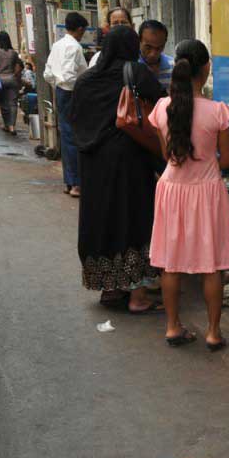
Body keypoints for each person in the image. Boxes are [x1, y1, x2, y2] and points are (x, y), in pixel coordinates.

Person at [148, 39, 229, 350]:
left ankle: (173, 327)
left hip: (172, 190)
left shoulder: (161, 108)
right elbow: (227, 161)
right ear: (206, 69)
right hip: (207, 191)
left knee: (170, 263)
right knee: (212, 264)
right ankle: (213, 332)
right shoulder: (218, 112)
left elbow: (166, 154)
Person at [70, 26, 164, 313]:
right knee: (134, 220)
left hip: (94, 164)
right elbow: (160, 108)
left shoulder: (86, 81)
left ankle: (110, 289)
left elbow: (74, 120)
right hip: (129, 162)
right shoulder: (135, 73)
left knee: (103, 221)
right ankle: (137, 297)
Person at [44, 12, 89, 198]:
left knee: (67, 135)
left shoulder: (57, 45)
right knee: (74, 137)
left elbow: (47, 73)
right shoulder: (74, 47)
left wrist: (58, 85)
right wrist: (71, 87)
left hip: (61, 92)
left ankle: (69, 182)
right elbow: (70, 76)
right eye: (83, 31)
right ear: (79, 29)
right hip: (72, 93)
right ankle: (76, 183)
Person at [0, 32, 23, 136]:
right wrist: (14, 75)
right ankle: (12, 126)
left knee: (3, 103)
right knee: (13, 103)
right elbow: (19, 66)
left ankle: (6, 125)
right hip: (11, 79)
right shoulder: (13, 53)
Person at [138, 20, 173, 90]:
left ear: (165, 44)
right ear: (139, 41)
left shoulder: (173, 67)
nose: (153, 54)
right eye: (148, 47)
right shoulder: (131, 69)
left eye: (159, 48)